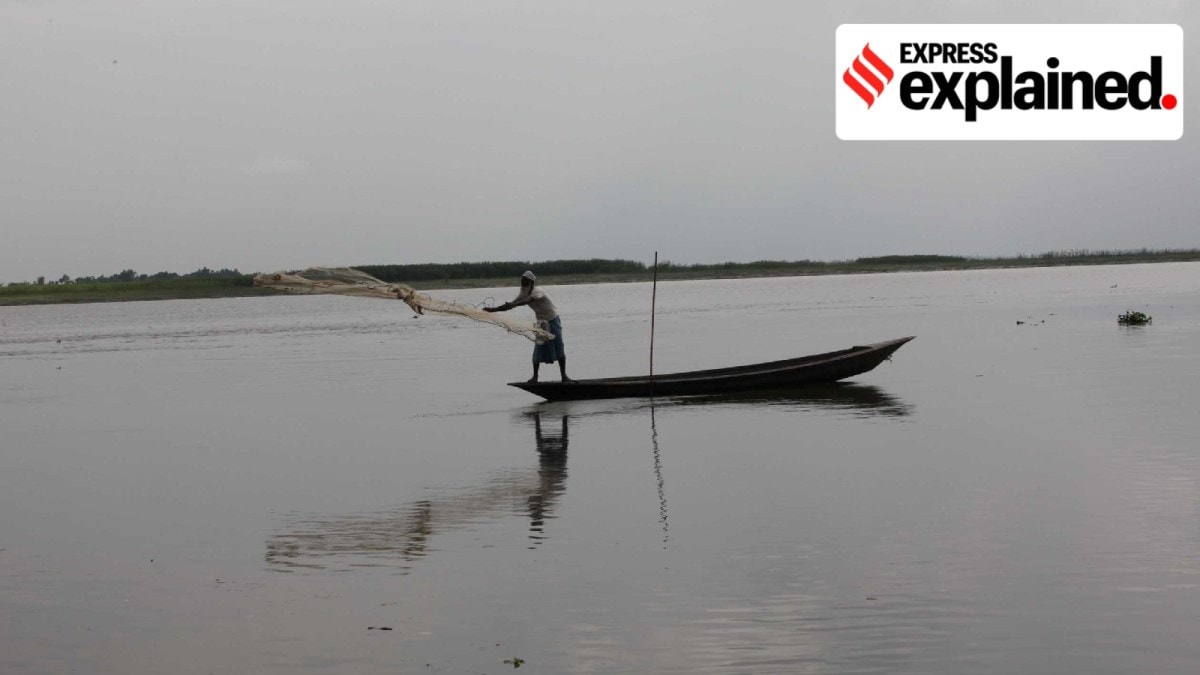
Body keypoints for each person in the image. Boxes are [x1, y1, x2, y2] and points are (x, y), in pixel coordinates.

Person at [485, 271, 572, 383]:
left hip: (553, 320)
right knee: (538, 348)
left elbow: (528, 300)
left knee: (559, 346)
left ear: (531, 282)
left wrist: (514, 304)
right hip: (541, 322)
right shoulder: (523, 292)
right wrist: (492, 310)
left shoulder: (538, 291)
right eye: (522, 281)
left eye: (525, 281)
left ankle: (564, 376)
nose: (523, 283)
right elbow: (510, 305)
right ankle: (535, 377)